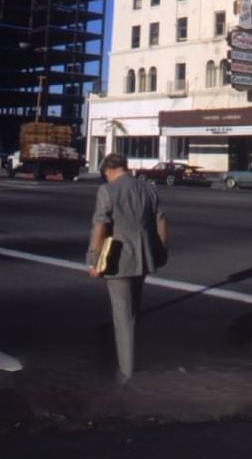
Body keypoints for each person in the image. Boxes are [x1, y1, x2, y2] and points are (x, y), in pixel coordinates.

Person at [86, 152, 168, 383]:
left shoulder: (107, 190)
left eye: (106, 175)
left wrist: (93, 259)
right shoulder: (149, 188)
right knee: (133, 313)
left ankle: (126, 373)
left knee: (122, 316)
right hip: (144, 257)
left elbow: (100, 226)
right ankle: (131, 359)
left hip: (118, 260)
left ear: (109, 171)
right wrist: (161, 250)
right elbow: (161, 220)